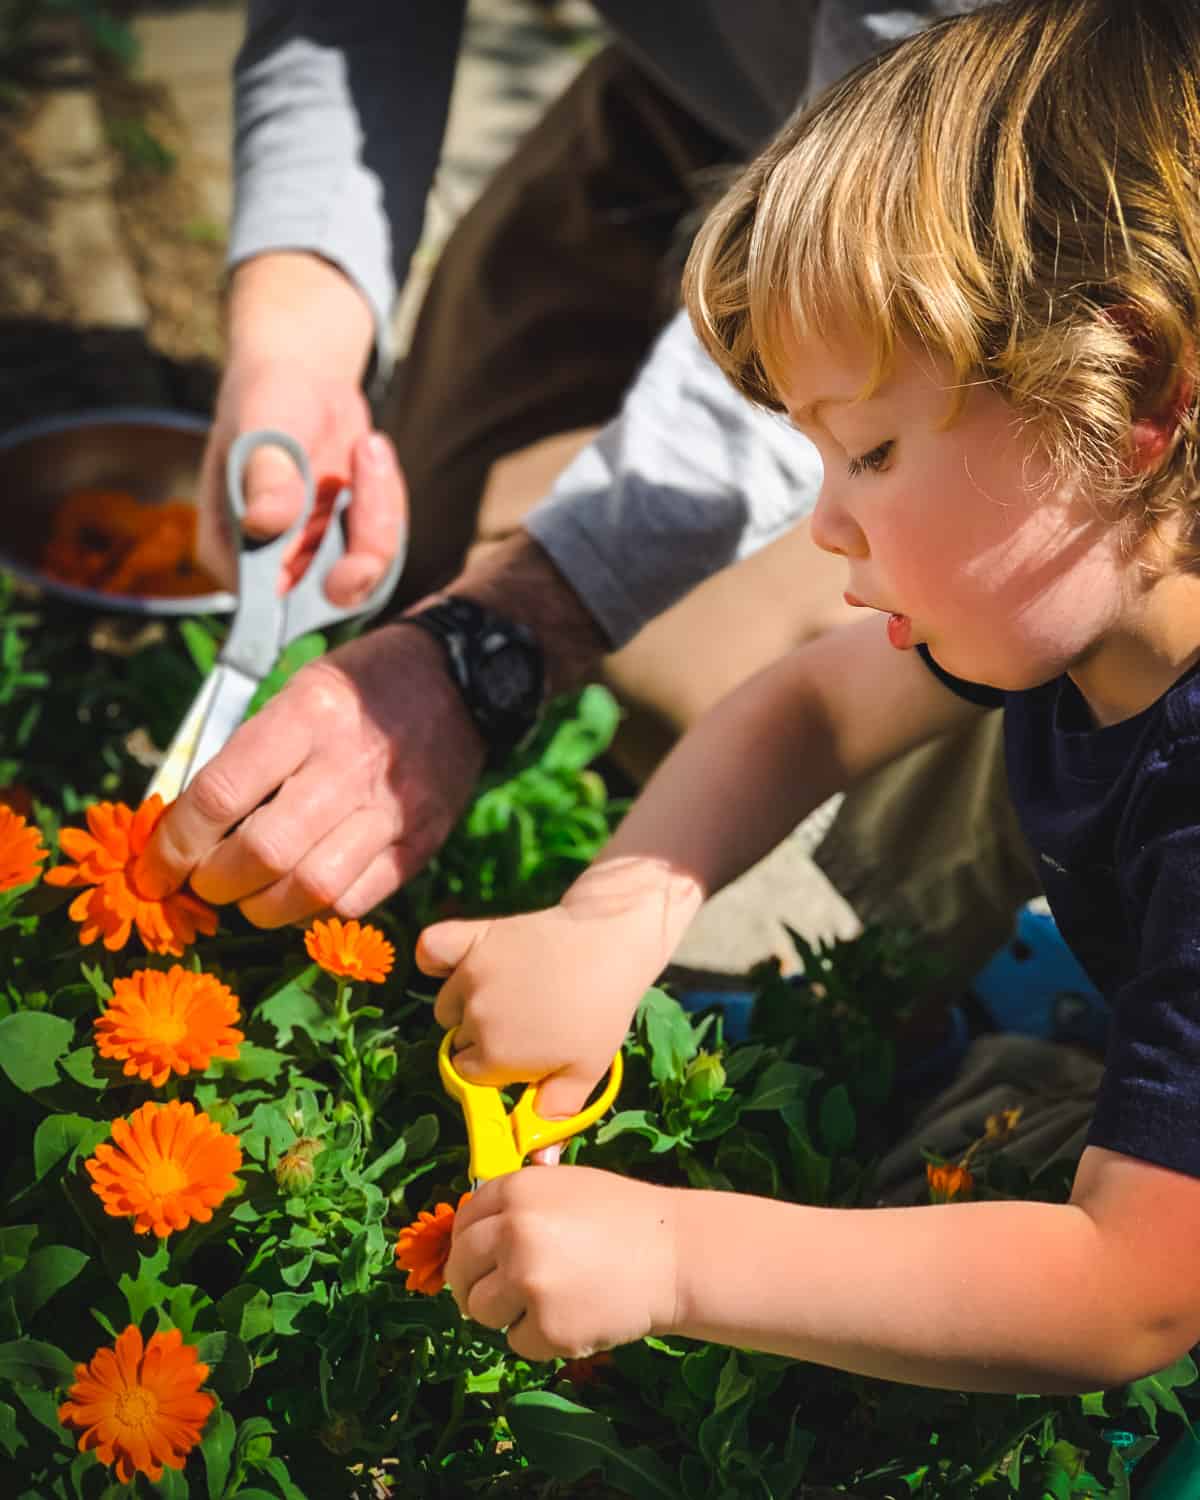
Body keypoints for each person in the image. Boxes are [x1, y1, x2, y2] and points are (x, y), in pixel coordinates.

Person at [417, 0, 1200, 1388]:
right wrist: (612, 925)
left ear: (1129, 388)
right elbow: (810, 710)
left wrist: (671, 1255)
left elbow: (1130, 1290)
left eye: (875, 451)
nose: (825, 524)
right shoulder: (1080, 575)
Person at [137, 1, 1036, 989]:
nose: (830, 515)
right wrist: (298, 342)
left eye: (861, 459)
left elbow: (900, 221)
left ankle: (923, 980)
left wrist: (494, 650)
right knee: (420, 552)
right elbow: (345, 24)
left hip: (991, 188)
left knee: (677, 664)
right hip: (703, 89)